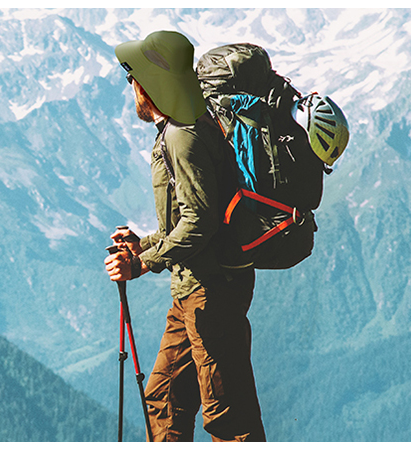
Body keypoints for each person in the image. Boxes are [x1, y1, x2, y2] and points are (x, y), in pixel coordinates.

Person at [104, 30, 266, 442]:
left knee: (227, 415)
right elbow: (188, 219)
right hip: (193, 290)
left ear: (151, 86)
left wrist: (143, 263)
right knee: (163, 396)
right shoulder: (183, 128)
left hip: (212, 293)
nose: (132, 89)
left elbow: (200, 222)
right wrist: (141, 243)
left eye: (133, 79)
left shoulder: (182, 136)